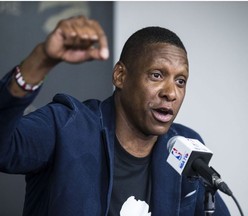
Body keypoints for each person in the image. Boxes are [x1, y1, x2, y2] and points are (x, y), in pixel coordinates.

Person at [0, 16, 230, 216]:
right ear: (120, 76)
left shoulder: (184, 147)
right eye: (157, 75)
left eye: (180, 81)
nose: (171, 93)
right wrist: (41, 60)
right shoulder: (65, 126)